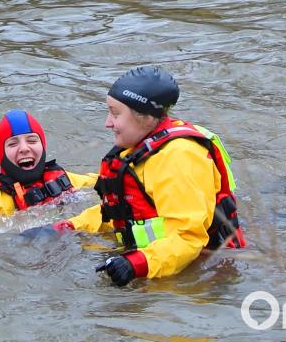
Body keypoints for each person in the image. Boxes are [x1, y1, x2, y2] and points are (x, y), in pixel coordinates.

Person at [14, 67, 247, 286]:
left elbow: (188, 239)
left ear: (145, 117)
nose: (108, 123)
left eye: (115, 113)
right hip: (154, 261)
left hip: (203, 274)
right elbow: (117, 212)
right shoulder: (138, 149)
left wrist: (136, 264)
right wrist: (65, 227)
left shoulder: (179, 157)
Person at [0, 110, 97, 232]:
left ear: (43, 147)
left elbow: (104, 181)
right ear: (1, 155)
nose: (24, 148)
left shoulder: (68, 180)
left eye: (32, 140)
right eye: (13, 144)